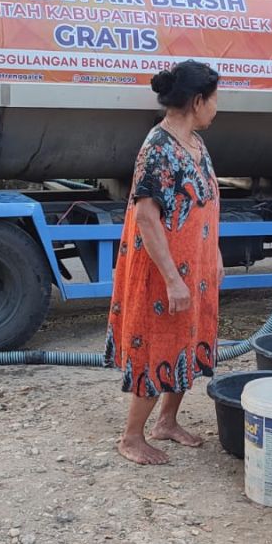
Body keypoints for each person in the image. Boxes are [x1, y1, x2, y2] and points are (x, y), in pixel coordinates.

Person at [105, 61, 222, 465]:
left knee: (187, 341)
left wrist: (215, 256)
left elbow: (205, 204)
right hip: (164, 271)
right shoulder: (158, 148)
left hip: (198, 269)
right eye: (214, 99)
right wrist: (173, 280)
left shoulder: (194, 143)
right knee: (159, 345)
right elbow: (147, 217)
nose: (216, 107)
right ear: (196, 100)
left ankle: (166, 422)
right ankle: (132, 437)